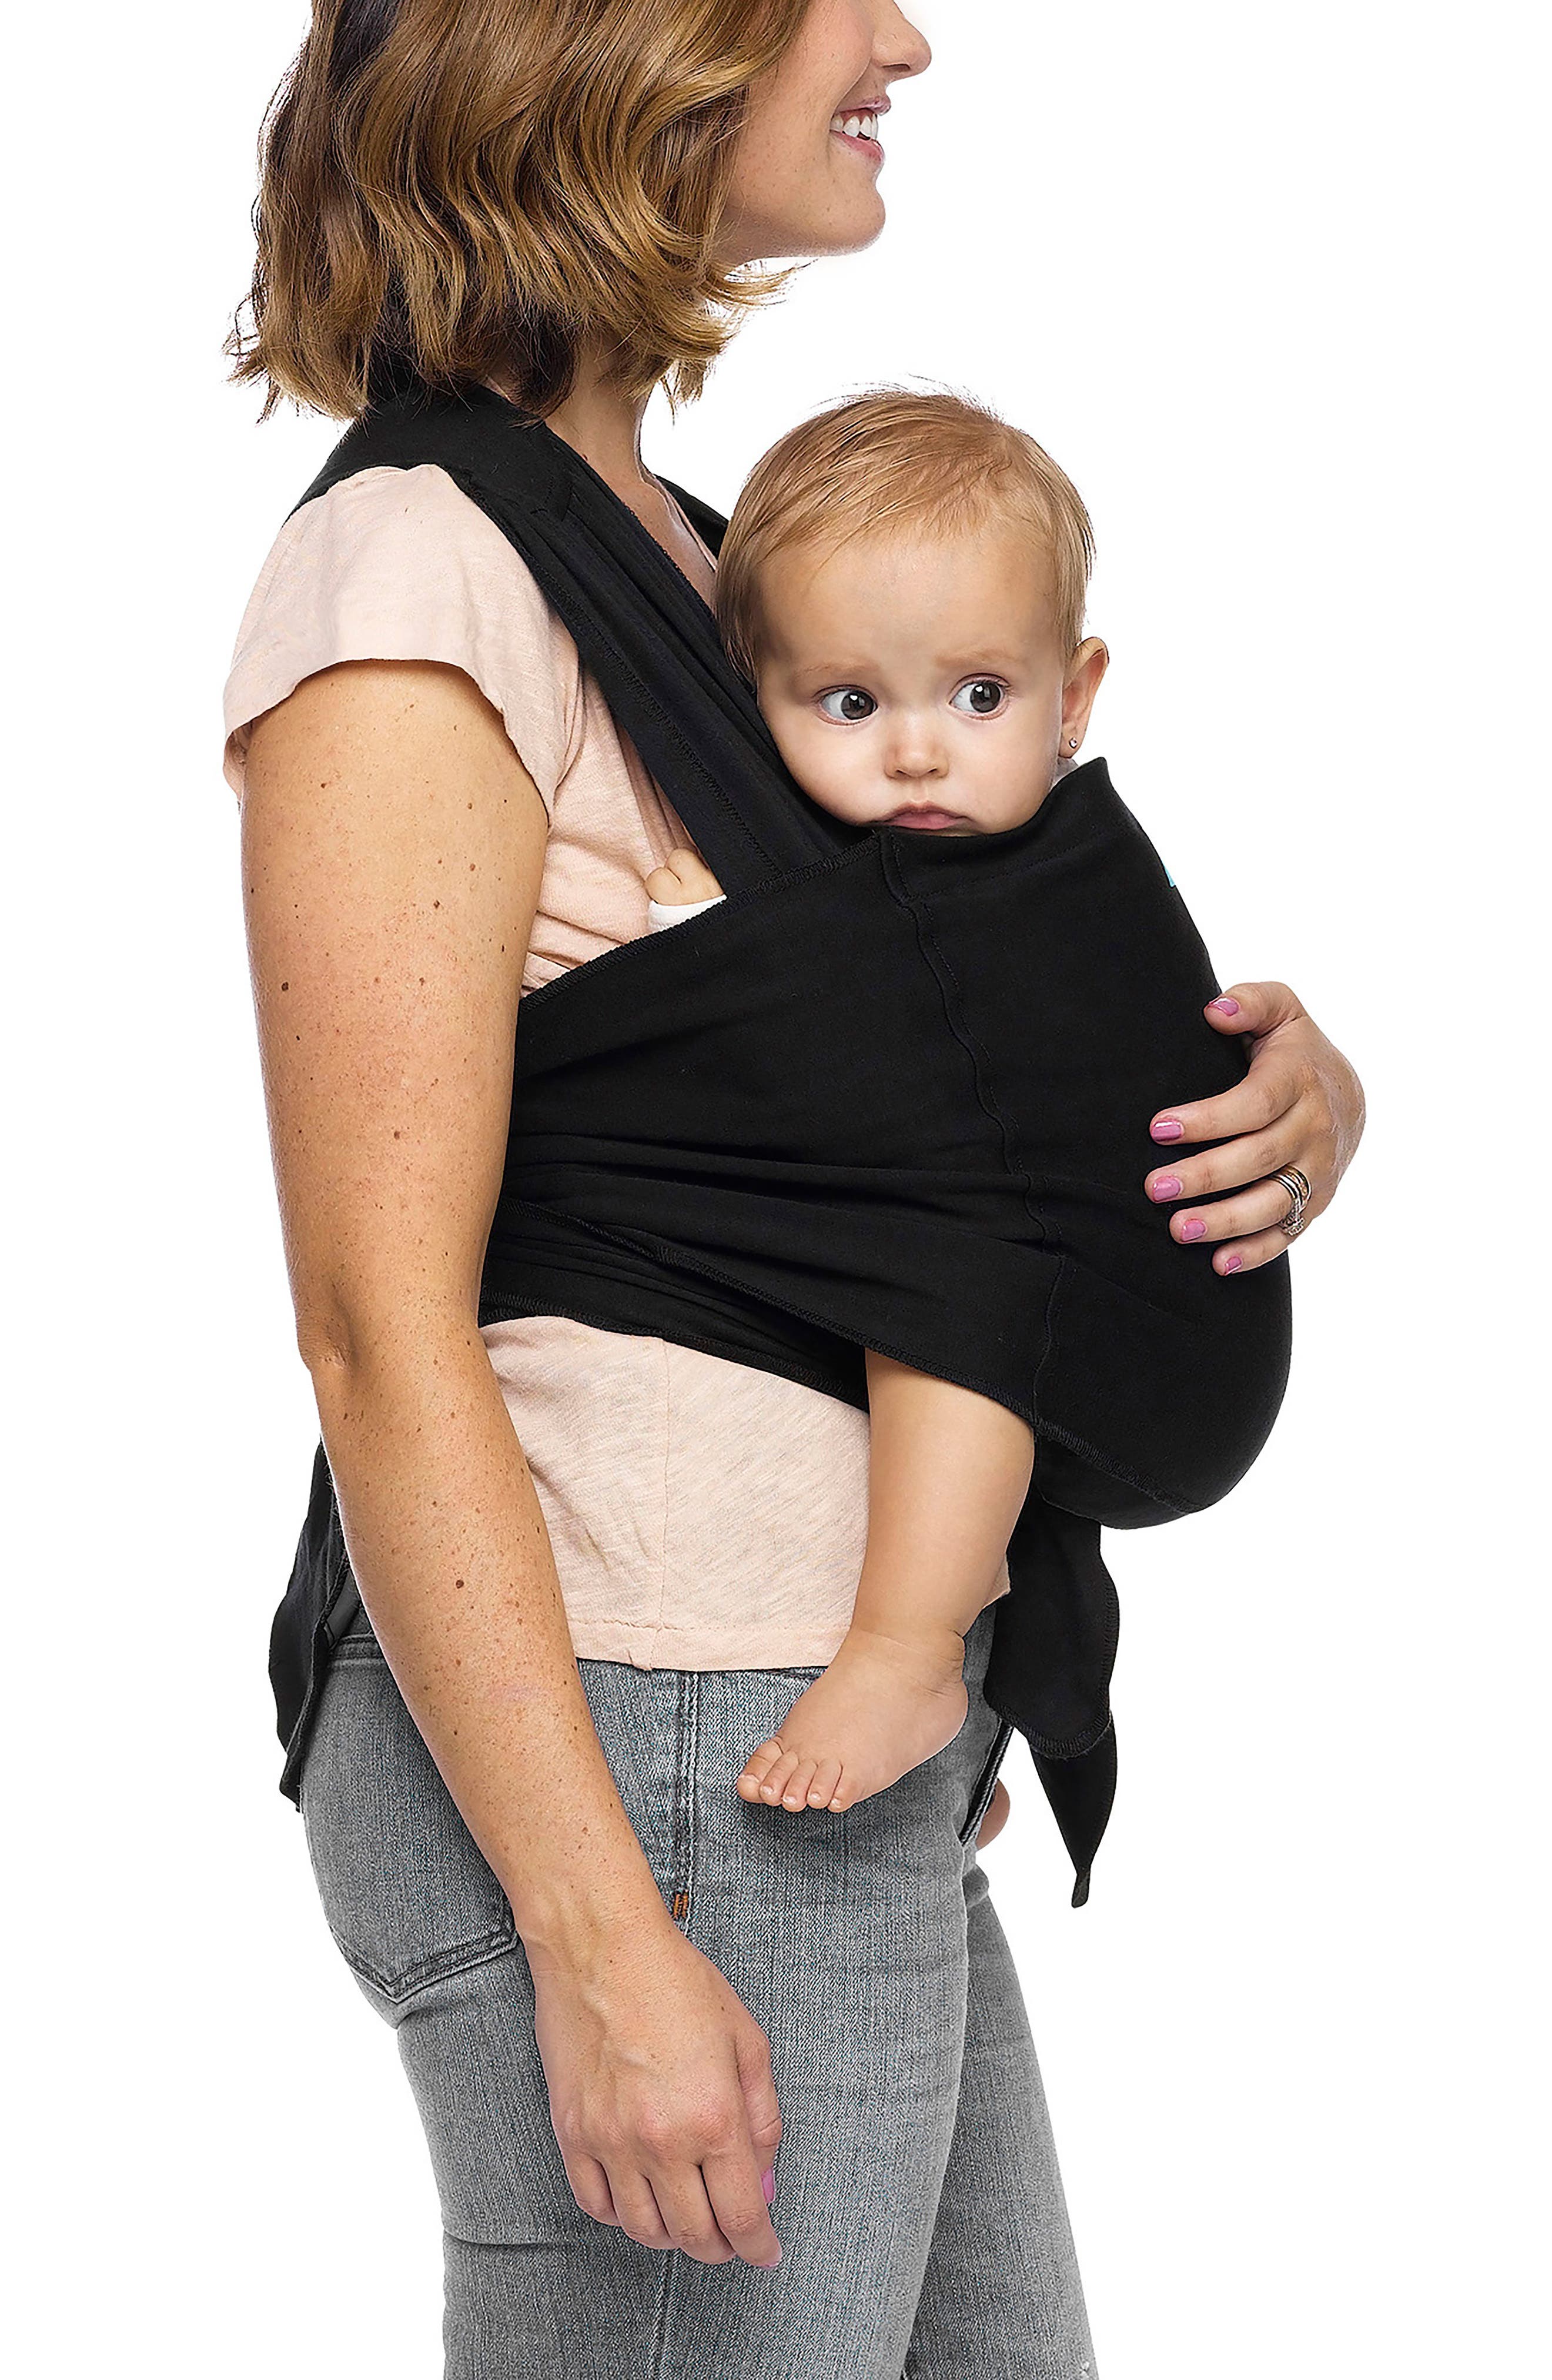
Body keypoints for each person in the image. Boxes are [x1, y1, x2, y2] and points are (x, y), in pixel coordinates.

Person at [223, 3, 1366, 2371]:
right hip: (650, 1719)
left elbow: (916, 1068)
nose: (905, 38)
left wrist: (1274, 1095)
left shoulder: (716, 572)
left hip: (788, 1733)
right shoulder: (415, 574)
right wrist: (595, 1931)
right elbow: (371, 1319)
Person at [643, 386, 1125, 1822]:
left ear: (1073, 697)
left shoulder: (1047, 879)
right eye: (851, 703)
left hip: (1052, 1299)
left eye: (980, 696)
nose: (919, 750)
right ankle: (972, 1710)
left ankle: (912, 1654)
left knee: (947, 1306)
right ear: (755, 698)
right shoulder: (849, 868)